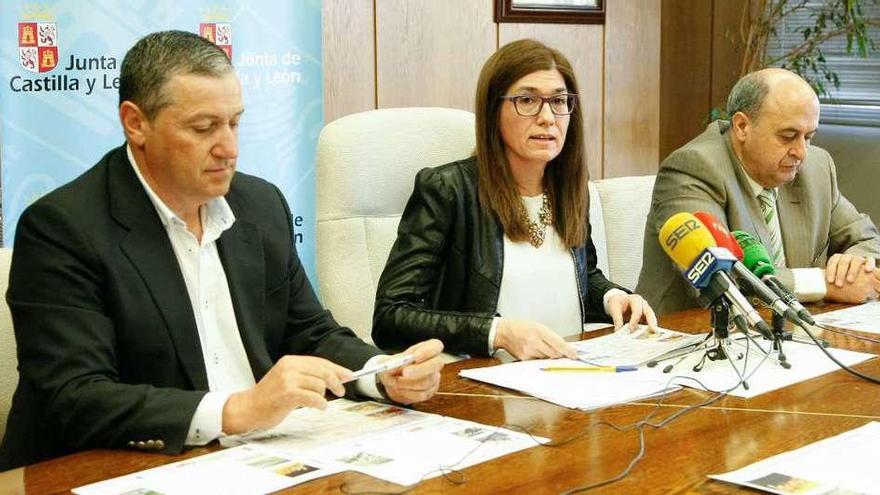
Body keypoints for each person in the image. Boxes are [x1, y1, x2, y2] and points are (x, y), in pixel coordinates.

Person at [0, 30, 444, 470]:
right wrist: (236, 410)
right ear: (136, 123)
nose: (229, 148)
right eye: (203, 127)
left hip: (257, 457)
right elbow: (75, 396)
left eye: (234, 122)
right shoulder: (63, 227)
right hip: (118, 466)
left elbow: (310, 332)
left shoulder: (260, 204)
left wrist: (381, 372)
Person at [372, 39, 658, 361]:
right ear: (493, 111)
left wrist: (611, 296)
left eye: (559, 101)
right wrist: (498, 332)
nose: (548, 117)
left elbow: (580, 276)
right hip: (486, 387)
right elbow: (391, 316)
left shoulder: (569, 189)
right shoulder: (449, 190)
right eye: (527, 100)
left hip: (570, 377)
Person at [637, 68, 880, 314]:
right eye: (788, 136)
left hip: (789, 333)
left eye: (809, 137)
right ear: (742, 126)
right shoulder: (694, 168)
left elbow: (866, 239)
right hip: (694, 335)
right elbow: (720, 275)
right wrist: (824, 283)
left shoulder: (815, 168)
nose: (801, 152)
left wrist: (854, 265)